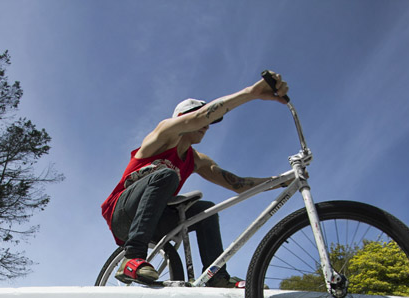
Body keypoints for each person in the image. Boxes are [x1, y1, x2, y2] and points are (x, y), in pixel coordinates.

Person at [100, 72, 291, 286]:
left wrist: (282, 181)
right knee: (167, 175)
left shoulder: (197, 160)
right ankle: (131, 256)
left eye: (210, 123)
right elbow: (199, 118)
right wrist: (251, 93)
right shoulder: (163, 134)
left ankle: (216, 276)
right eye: (205, 120)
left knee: (206, 210)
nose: (207, 126)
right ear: (182, 119)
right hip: (122, 213)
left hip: (153, 220)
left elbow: (237, 184)